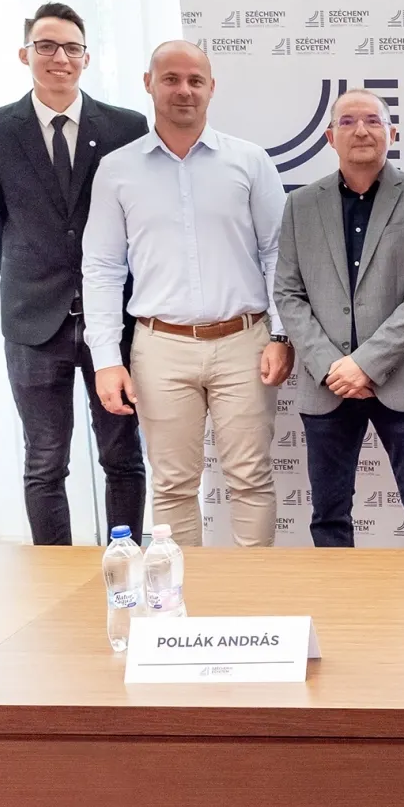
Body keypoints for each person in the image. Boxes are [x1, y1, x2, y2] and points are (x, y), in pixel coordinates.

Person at [82, 40, 292, 547]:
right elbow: (103, 266)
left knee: (251, 480)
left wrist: (281, 335)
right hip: (160, 346)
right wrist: (106, 358)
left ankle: (251, 603)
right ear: (148, 83)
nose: (183, 90)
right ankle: (178, 610)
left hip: (245, 341)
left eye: (195, 81)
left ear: (211, 89)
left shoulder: (249, 161)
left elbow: (278, 254)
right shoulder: (117, 169)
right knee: (173, 486)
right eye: (171, 79)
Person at [0, 2, 149, 544]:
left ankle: (127, 561)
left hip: (111, 320)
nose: (59, 57)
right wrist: (35, 282)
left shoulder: (125, 127)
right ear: (26, 54)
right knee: (45, 461)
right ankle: (53, 572)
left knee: (122, 454)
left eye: (71, 47)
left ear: (86, 59)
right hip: (32, 321)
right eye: (46, 45)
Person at [273, 89, 404, 548]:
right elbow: (288, 293)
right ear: (330, 136)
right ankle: (339, 614)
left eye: (372, 120)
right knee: (328, 517)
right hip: (326, 382)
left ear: (391, 133)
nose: (361, 130)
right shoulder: (301, 205)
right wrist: (333, 366)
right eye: (347, 122)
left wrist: (365, 364)